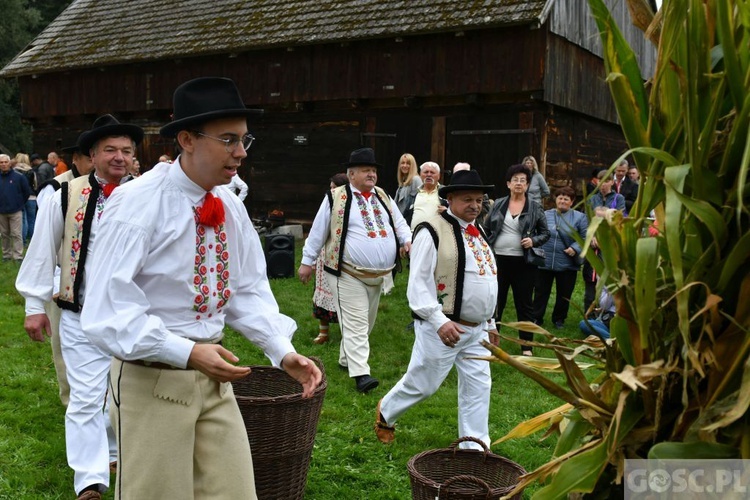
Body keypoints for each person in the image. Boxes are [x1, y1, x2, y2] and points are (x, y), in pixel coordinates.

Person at [80, 77, 321, 499]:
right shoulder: (137, 203)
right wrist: (187, 351)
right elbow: (105, 312)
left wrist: (281, 350)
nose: (241, 152)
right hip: (150, 380)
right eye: (229, 139)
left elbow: (245, 289)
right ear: (187, 140)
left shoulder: (227, 203)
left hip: (215, 382)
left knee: (236, 492)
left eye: (245, 139)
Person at [16, 115, 142, 499]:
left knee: (129, 395)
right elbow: (40, 254)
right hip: (79, 314)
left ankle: (118, 453)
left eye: (126, 150)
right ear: (92, 154)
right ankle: (90, 479)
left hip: (133, 317)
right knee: (85, 398)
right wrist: (33, 306)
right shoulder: (65, 195)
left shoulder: (148, 194)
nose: (119, 157)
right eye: (110, 150)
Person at [375, 169, 498, 448]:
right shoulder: (431, 230)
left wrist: (490, 323)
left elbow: (487, 279)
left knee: (479, 388)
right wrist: (438, 320)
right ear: (450, 198)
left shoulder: (478, 232)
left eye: (479, 200)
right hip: (442, 327)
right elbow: (417, 284)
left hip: (477, 330)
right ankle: (387, 411)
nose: (475, 206)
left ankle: (475, 447)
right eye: (468, 199)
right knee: (424, 384)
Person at [299, 147, 412, 393]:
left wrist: (407, 240)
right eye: (366, 170)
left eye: (373, 170)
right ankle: (361, 374)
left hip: (379, 275)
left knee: (365, 323)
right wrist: (307, 262)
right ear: (351, 174)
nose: (371, 175)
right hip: (346, 272)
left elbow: (400, 222)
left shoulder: (383, 195)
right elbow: (318, 232)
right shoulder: (334, 197)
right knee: (357, 321)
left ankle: (345, 358)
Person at [31, 133, 96, 408]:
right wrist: (37, 299)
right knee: (64, 345)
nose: (95, 163)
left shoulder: (124, 188)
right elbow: (43, 242)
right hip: (64, 279)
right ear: (77, 159)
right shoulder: (58, 189)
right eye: (89, 157)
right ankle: (72, 400)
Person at [484, 164, 549, 356]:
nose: (519, 184)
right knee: (496, 302)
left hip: (524, 262)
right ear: (508, 184)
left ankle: (526, 346)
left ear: (528, 185)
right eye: (515, 180)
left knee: (524, 304)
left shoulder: (535, 207)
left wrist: (533, 240)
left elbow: (546, 232)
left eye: (523, 180)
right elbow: (487, 228)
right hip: (498, 261)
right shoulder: (499, 204)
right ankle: (493, 341)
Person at [532, 187, 588, 329]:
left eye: (566, 199)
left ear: (572, 201)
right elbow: (536, 232)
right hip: (545, 260)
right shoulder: (545, 214)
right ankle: (536, 318)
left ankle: (559, 319)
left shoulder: (580, 217)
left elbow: (585, 236)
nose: (562, 201)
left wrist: (575, 248)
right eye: (560, 198)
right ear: (555, 199)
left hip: (567, 263)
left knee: (564, 294)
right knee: (540, 292)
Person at [311, 172, 348, 344]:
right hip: (324, 255)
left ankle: (346, 335)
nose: (332, 191)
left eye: (336, 187)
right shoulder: (328, 202)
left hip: (342, 256)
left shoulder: (349, 204)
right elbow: (318, 230)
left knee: (342, 296)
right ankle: (323, 333)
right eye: (331, 187)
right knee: (321, 293)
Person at [0, 154, 32, 261]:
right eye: (1, 162)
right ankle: (6, 255)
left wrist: (19, 203)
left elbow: (26, 192)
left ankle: (18, 256)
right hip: (2, 211)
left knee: (16, 234)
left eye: (5, 162)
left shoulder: (19, 177)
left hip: (15, 210)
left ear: (9, 163)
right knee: (4, 234)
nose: (3, 164)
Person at [403, 161, 447, 229]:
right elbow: (405, 217)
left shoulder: (445, 193)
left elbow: (457, 213)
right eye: (426, 172)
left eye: (432, 172)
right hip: (415, 236)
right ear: (420, 175)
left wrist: (448, 212)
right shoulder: (413, 195)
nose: (429, 175)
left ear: (438, 176)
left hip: (439, 236)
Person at [13, 153, 37, 244]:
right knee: (32, 219)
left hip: (19, 197)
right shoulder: (31, 171)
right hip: (31, 197)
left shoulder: (14, 171)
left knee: (23, 220)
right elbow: (35, 184)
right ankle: (32, 240)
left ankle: (22, 240)